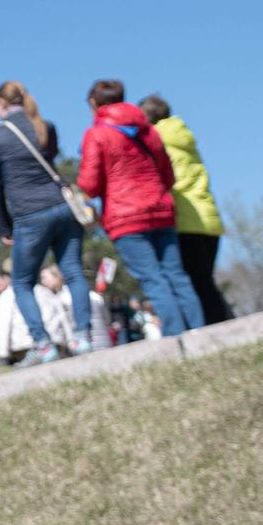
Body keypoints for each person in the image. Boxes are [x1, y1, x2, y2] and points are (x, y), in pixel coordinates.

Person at [76, 79, 203, 336]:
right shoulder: (148, 131)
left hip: (126, 218)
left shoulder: (97, 134)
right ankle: (200, 332)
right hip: (161, 210)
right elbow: (167, 175)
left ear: (93, 103)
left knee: (153, 280)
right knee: (177, 275)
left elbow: (89, 184)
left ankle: (176, 337)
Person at [0, 80, 93, 366]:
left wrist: (4, 228)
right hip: (63, 206)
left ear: (1, 104)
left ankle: (43, 345)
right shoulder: (46, 127)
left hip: (30, 215)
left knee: (21, 282)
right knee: (73, 271)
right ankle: (82, 337)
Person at [139, 95, 233, 324]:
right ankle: (224, 322)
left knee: (194, 282)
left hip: (185, 219)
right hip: (209, 219)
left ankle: (219, 327)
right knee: (204, 280)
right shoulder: (183, 136)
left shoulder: (155, 140)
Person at [0, 272, 31, 364]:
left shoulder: (5, 298)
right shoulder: (23, 293)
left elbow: (3, 326)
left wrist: (2, 352)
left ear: (7, 280)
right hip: (29, 340)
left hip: (20, 344)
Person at [33, 267, 78, 352]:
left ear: (57, 276)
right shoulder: (45, 295)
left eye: (44, 277)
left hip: (67, 342)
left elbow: (67, 322)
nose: (43, 282)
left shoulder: (67, 295)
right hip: (56, 342)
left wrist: (71, 342)